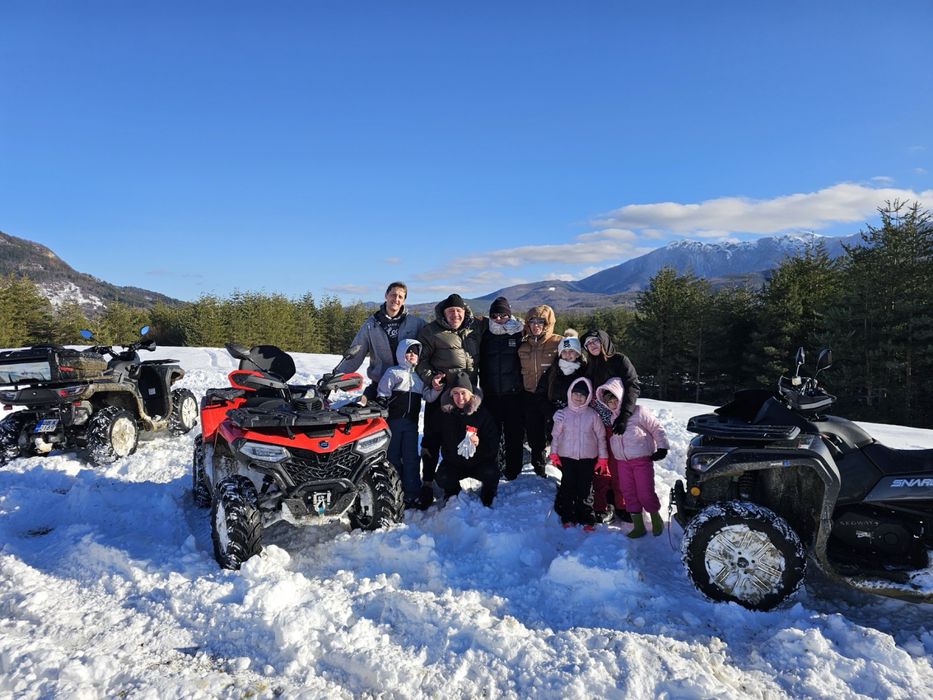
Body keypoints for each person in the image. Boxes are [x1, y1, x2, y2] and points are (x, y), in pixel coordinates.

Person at [415, 293, 483, 507]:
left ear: (465, 312)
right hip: (441, 395)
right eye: (451, 311)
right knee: (432, 440)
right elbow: (420, 360)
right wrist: (430, 379)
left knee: (457, 440)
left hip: (464, 398)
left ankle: (451, 483)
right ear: (443, 312)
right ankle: (426, 483)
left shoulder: (473, 330)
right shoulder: (431, 331)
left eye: (459, 311)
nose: (455, 315)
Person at [335, 282, 426, 400]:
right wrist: (337, 376)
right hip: (380, 384)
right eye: (393, 295)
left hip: (406, 388)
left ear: (404, 301)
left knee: (401, 419)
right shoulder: (371, 325)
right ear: (386, 296)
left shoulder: (415, 323)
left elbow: (432, 341)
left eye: (400, 297)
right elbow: (356, 352)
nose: (396, 299)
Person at [548, 377, 608, 529]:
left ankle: (587, 518)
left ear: (588, 397)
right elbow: (556, 435)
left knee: (585, 488)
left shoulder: (593, 415)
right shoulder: (562, 414)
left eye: (582, 395)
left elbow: (601, 437)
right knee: (568, 486)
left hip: (588, 459)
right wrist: (554, 454)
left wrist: (603, 458)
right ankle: (567, 516)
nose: (578, 397)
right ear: (570, 393)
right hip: (566, 457)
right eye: (576, 393)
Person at [434, 371, 500, 507]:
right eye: (456, 393)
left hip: (479, 462)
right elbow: (434, 437)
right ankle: (452, 493)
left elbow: (493, 441)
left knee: (491, 473)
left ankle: (488, 493)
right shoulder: (445, 413)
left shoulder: (482, 413)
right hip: (455, 463)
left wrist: (479, 442)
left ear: (471, 393)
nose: (460, 398)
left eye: (463, 393)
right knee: (443, 477)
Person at [478, 296, 525, 480]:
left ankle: (514, 470)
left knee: (514, 435)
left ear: (509, 315)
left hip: (513, 394)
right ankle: (492, 468)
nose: (498, 319)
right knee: (492, 435)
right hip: (491, 394)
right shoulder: (485, 334)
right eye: (495, 315)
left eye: (503, 315)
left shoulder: (519, 333)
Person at [376, 338, 426, 508]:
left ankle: (412, 493)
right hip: (394, 422)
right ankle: (395, 493)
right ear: (401, 353)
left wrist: (437, 388)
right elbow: (383, 393)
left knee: (411, 457)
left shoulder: (418, 377)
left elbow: (428, 396)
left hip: (411, 424)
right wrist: (383, 407)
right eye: (409, 351)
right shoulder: (393, 372)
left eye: (415, 353)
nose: (412, 355)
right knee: (393, 457)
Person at [609, 401, 669, 537]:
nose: (611, 402)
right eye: (608, 400)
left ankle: (656, 519)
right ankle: (639, 526)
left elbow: (656, 427)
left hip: (641, 460)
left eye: (614, 399)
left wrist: (662, 446)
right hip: (622, 462)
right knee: (628, 492)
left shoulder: (639, 411)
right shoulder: (612, 417)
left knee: (645, 492)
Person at [517, 305, 562, 477]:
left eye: (540, 322)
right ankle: (539, 469)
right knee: (535, 436)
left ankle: (561, 471)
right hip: (529, 397)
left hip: (551, 397)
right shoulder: (522, 346)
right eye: (532, 321)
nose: (536, 325)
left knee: (556, 435)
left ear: (547, 324)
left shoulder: (558, 342)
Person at [580, 330, 640, 435]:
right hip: (598, 420)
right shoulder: (589, 366)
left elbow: (632, 386)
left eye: (595, 340)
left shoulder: (619, 360)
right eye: (588, 344)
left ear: (603, 341)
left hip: (619, 414)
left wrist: (625, 415)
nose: (592, 345)